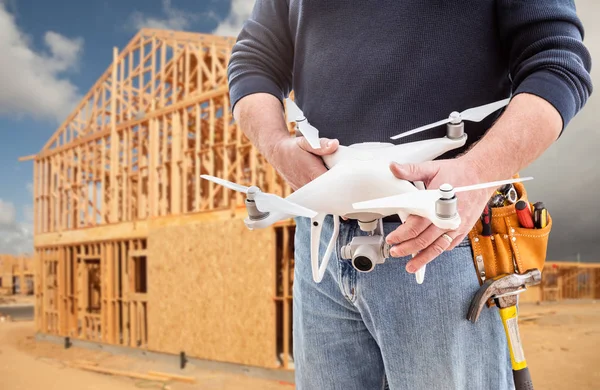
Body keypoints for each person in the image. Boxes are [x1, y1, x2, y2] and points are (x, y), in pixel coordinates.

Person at [226, 1, 593, 389]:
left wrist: (478, 172)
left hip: (441, 244)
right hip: (320, 247)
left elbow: (558, 64)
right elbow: (253, 61)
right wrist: (276, 145)